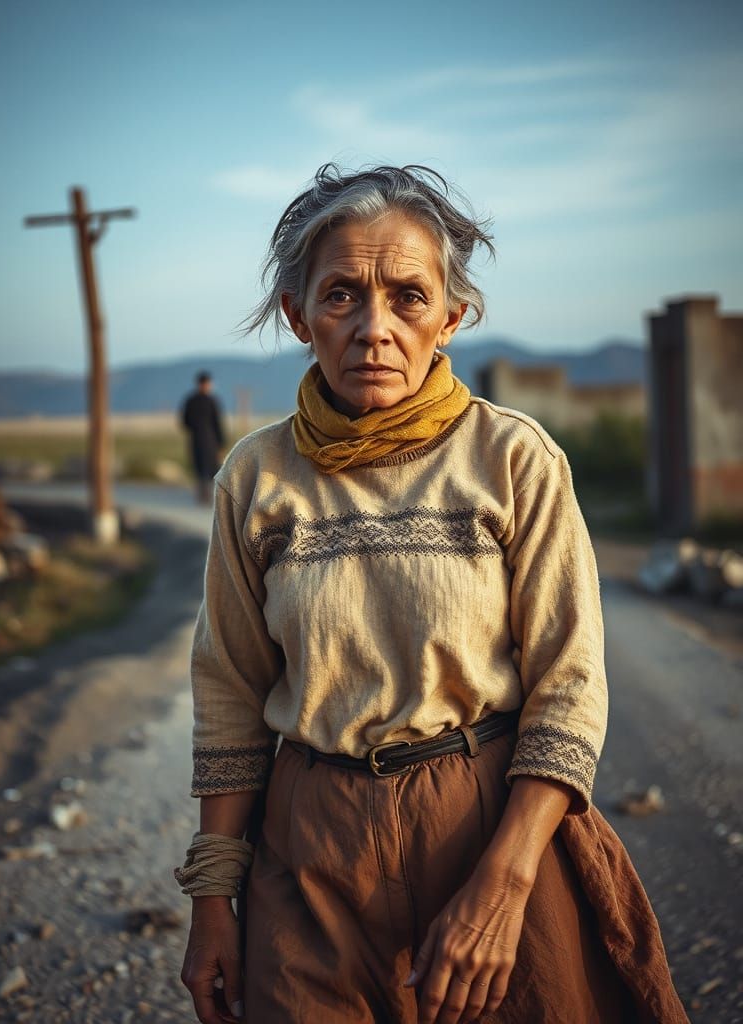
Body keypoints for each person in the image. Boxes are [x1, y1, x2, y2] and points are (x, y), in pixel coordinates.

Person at [176, 165, 689, 1024]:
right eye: (340, 296)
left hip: (488, 826)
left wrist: (507, 881)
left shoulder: (514, 460)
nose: (373, 329)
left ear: (450, 318)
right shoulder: (256, 477)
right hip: (309, 852)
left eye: (408, 298)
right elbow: (229, 690)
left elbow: (569, 686)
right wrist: (210, 901)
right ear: (300, 318)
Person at [180, 371, 226, 504]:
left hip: (198, 439)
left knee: (202, 468)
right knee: (208, 468)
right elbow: (217, 423)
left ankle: (204, 496)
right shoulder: (211, 401)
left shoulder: (191, 400)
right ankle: (207, 496)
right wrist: (221, 442)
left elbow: (185, 422)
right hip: (209, 440)